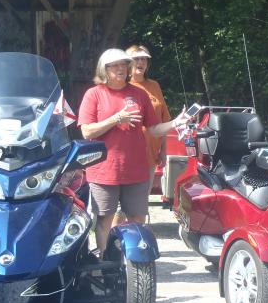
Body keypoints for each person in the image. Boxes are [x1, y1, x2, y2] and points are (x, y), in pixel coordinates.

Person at [77, 48, 190, 255]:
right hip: (104, 171)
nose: (121, 68)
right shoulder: (94, 94)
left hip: (136, 170)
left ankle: (132, 263)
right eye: (115, 65)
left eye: (123, 65)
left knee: (138, 219)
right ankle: (105, 262)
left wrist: (175, 123)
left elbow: (154, 128)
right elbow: (87, 131)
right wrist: (115, 119)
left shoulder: (139, 94)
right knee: (104, 220)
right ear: (104, 69)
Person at [107, 44, 172, 226]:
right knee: (120, 206)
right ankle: (114, 241)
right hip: (125, 155)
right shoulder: (121, 86)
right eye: (136, 58)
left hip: (150, 155)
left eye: (144, 59)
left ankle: (137, 239)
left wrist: (164, 150)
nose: (141, 62)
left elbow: (162, 121)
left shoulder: (154, 86)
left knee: (140, 203)